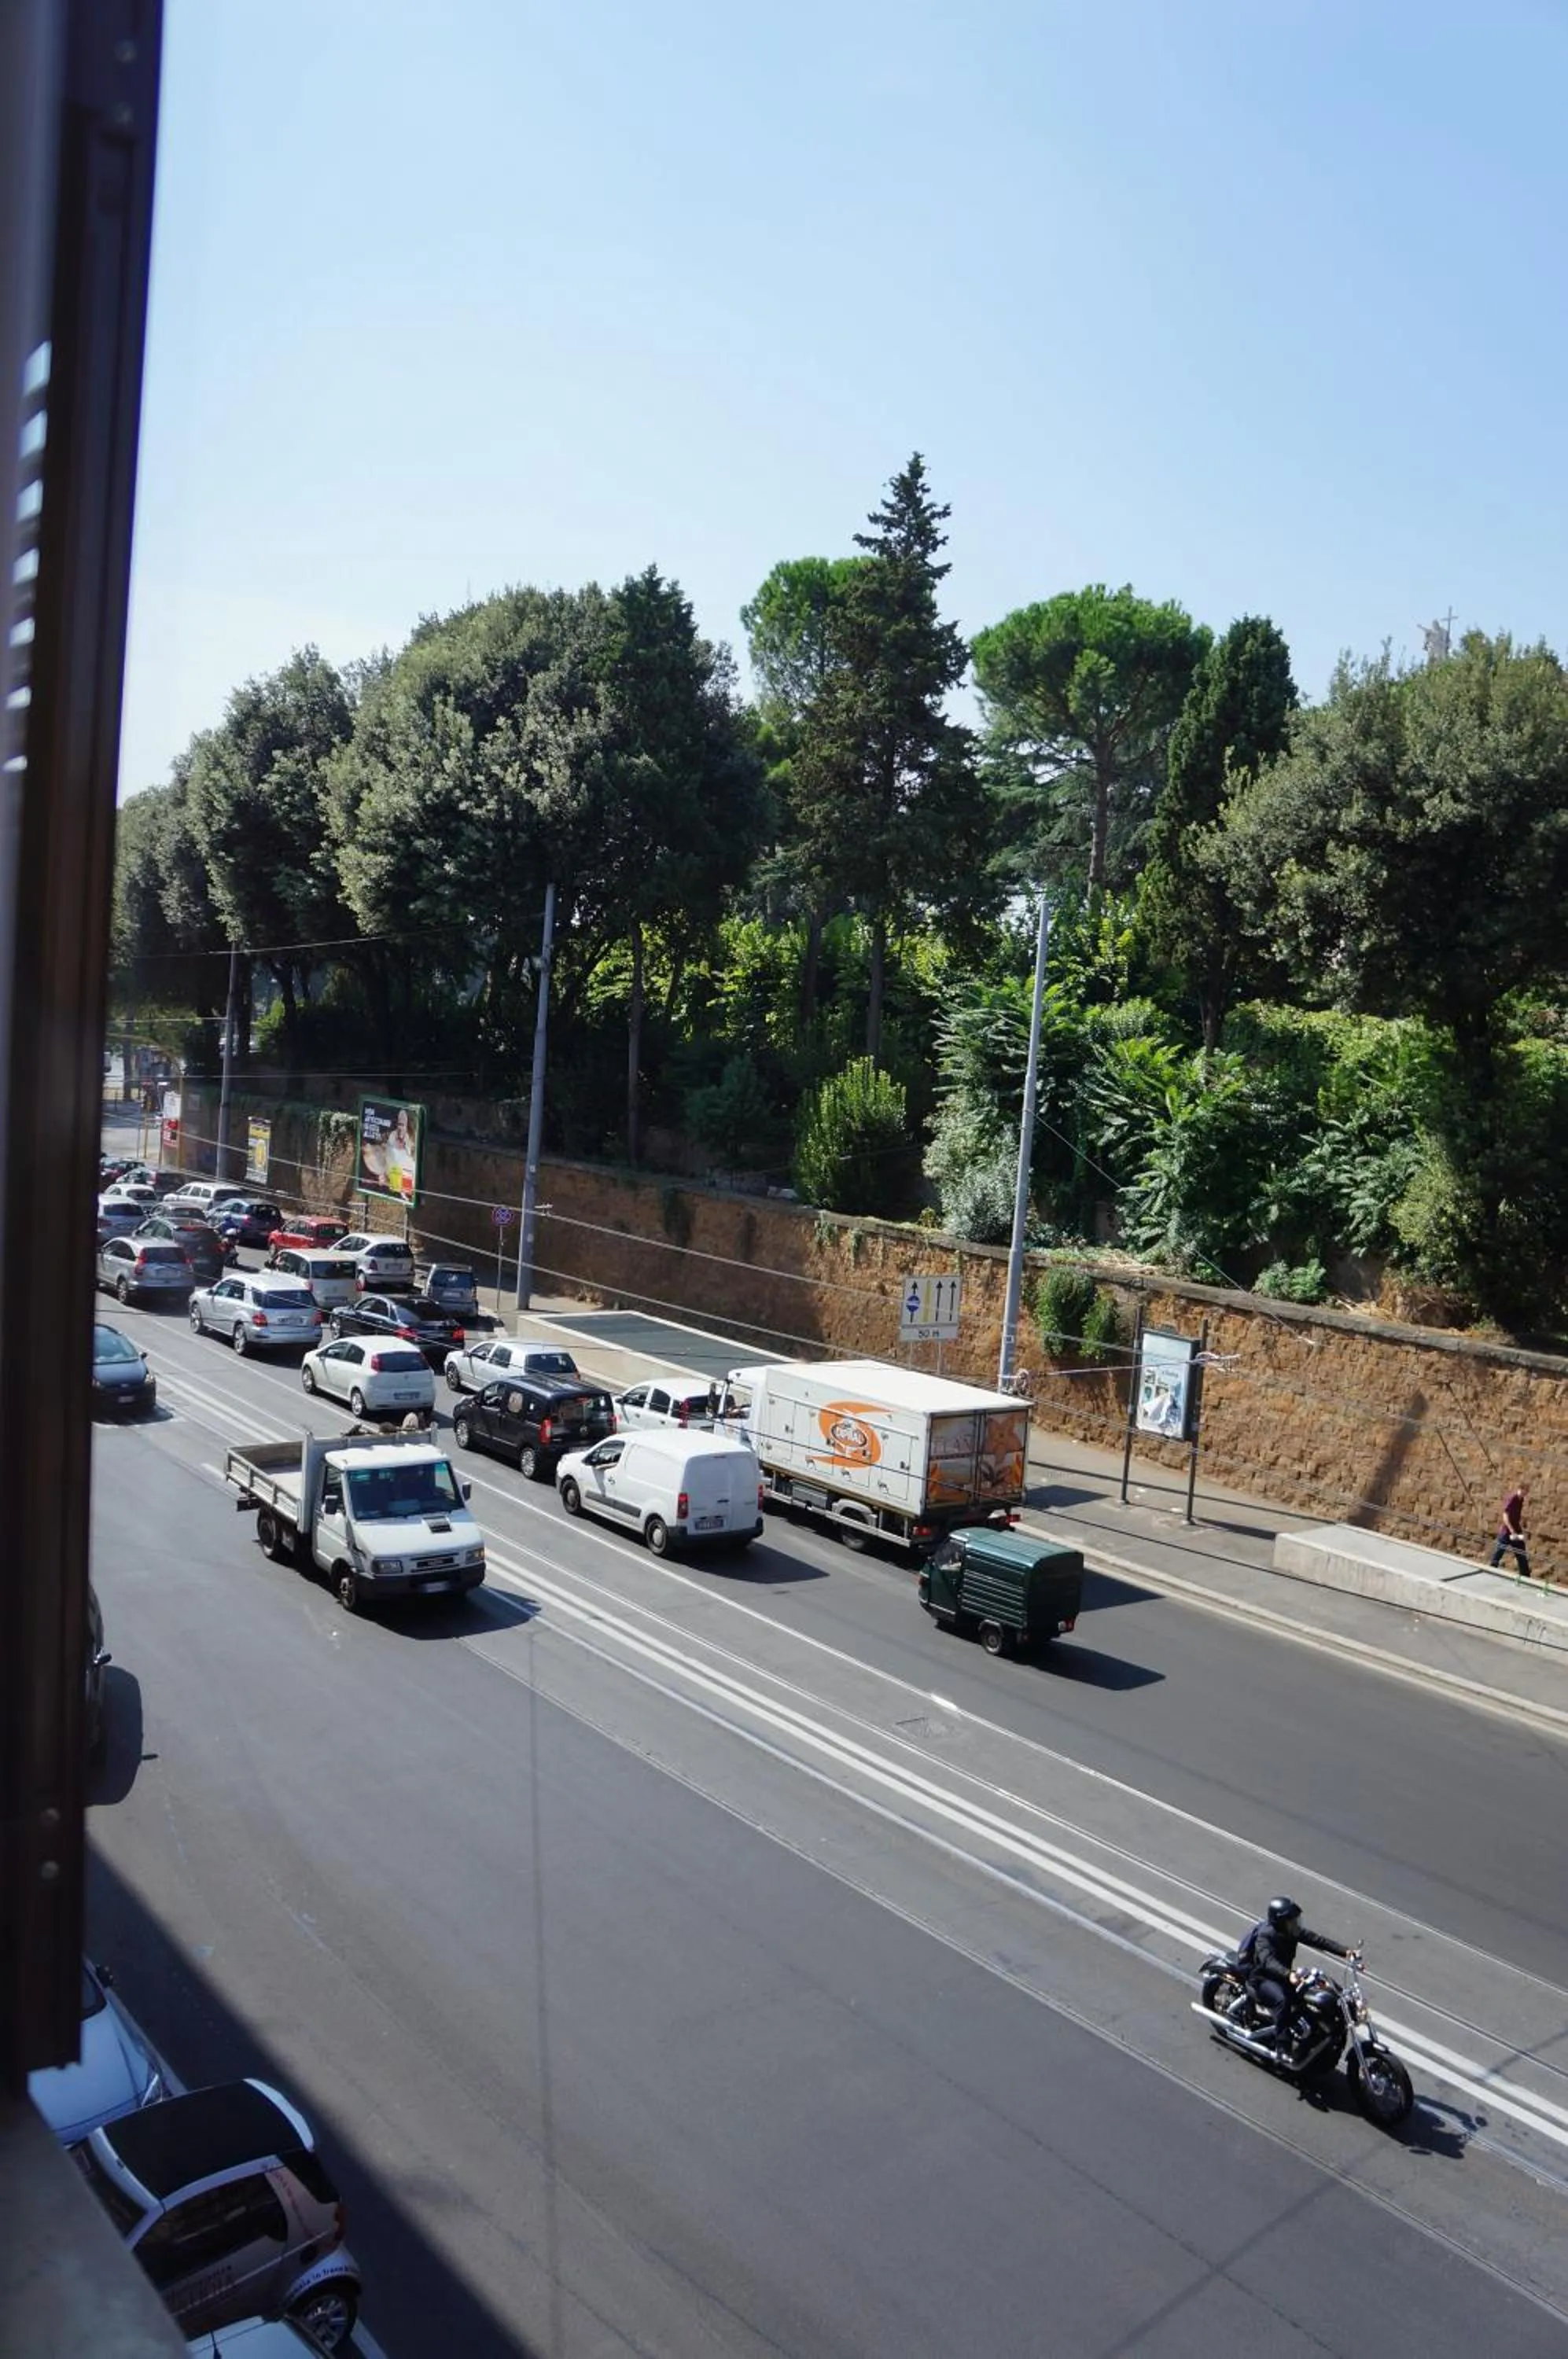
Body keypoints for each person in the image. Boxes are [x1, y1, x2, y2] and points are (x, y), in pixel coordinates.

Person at [1241, 1896, 1358, 2055]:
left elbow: (1317, 1940)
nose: (1295, 1924)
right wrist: (1288, 1974)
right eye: (1291, 1921)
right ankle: (1282, 2046)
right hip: (1262, 1978)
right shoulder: (1265, 1936)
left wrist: (1345, 1951)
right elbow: (1268, 1961)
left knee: (1307, 2001)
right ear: (1280, 1922)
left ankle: (1308, 2040)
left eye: (1295, 1920)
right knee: (1282, 2001)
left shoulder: (1290, 1931)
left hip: (1284, 1976)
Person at [1489, 1485, 1531, 1578]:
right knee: (1499, 1551)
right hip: (1507, 1531)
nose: (1524, 1494)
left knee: (1521, 1552)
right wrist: (1511, 1530)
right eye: (1523, 1491)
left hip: (1516, 1530)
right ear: (1519, 1489)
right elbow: (1505, 1515)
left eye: (1526, 1492)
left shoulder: (1521, 1500)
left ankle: (1525, 1576)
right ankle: (1491, 1570)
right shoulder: (1512, 1498)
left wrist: (1519, 1530)